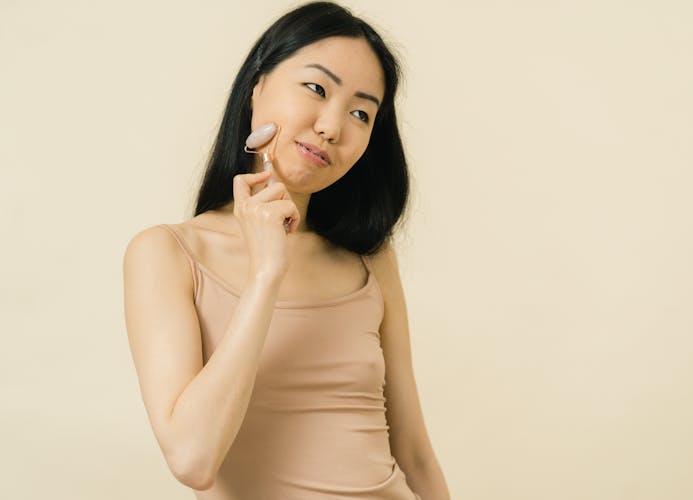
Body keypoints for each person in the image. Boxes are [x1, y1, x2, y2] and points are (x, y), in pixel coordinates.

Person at [123, 2, 450, 499]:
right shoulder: (167, 254)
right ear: (257, 86)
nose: (331, 127)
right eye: (317, 89)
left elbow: (415, 452)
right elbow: (193, 458)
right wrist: (265, 275)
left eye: (361, 113)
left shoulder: (370, 257)